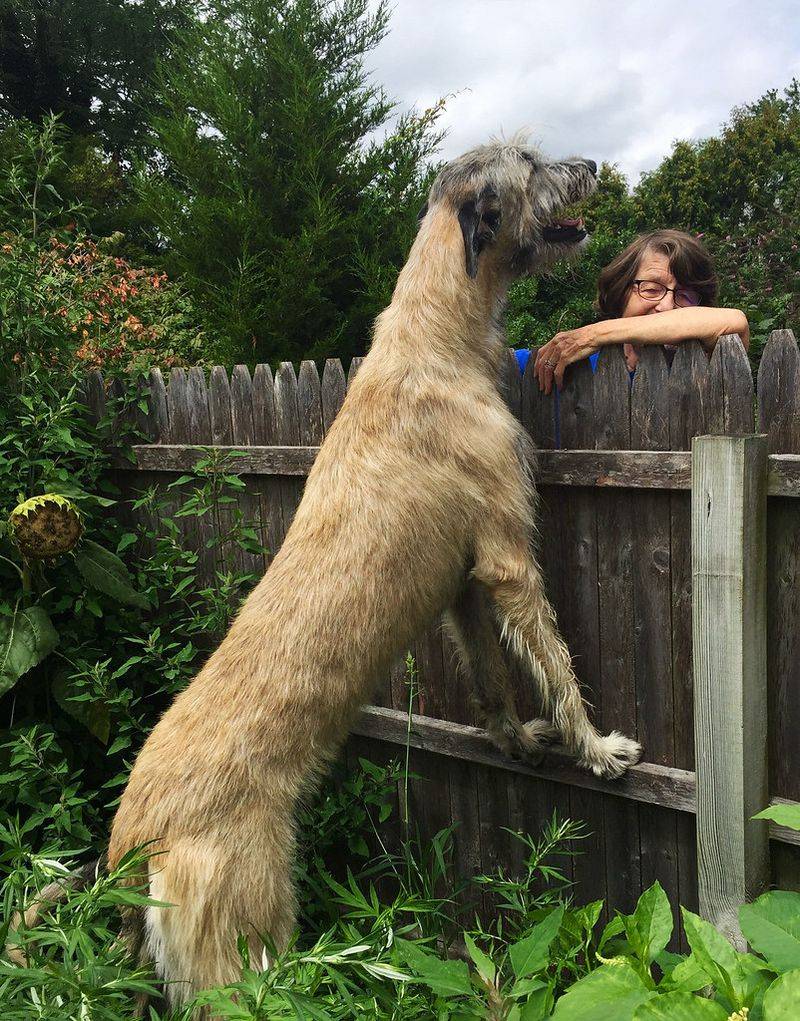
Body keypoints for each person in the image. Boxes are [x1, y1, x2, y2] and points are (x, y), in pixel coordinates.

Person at [532, 229, 750, 394]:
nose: (666, 306)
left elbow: (736, 322)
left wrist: (593, 335)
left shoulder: (709, 364)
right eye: (652, 289)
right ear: (621, 292)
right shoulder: (556, 362)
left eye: (685, 295)